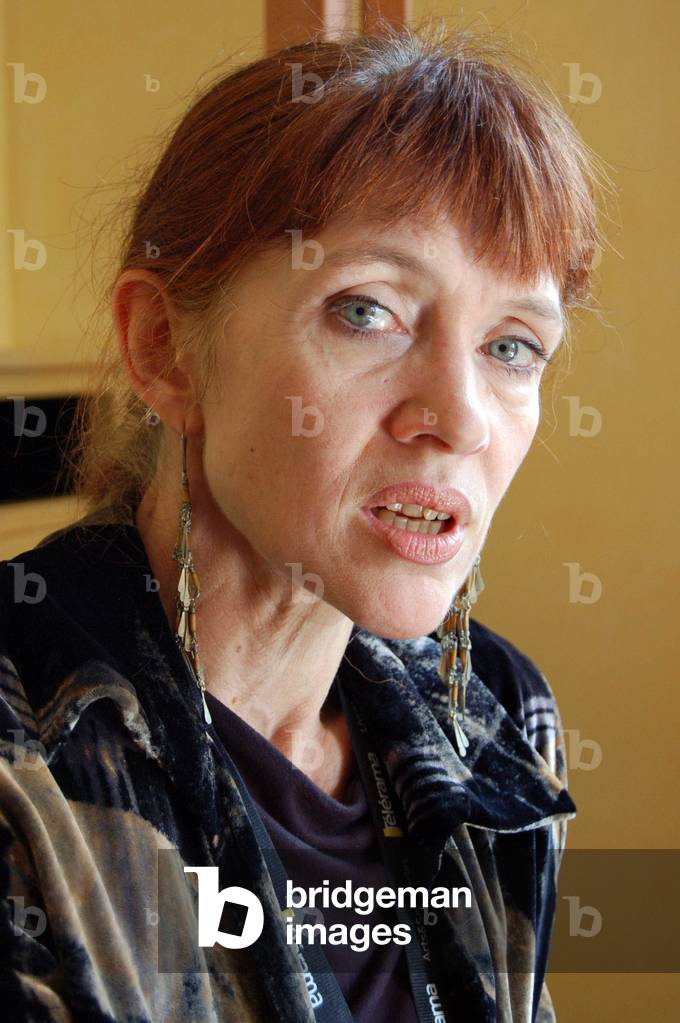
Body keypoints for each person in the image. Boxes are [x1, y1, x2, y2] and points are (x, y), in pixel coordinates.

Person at [0, 22, 608, 1023]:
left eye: (511, 346)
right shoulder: (27, 751)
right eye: (366, 312)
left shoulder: (496, 719)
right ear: (164, 349)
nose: (456, 417)